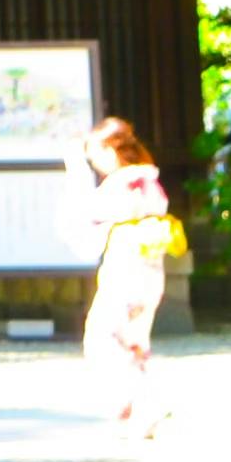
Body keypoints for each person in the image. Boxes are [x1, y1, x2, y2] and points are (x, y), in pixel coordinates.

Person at [76, 116, 177, 438]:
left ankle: (136, 405)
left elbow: (91, 212)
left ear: (110, 149)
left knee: (104, 337)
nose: (94, 162)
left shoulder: (125, 182)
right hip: (148, 272)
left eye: (95, 154)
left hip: (126, 272)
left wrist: (74, 177)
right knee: (133, 341)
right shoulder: (149, 179)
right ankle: (144, 408)